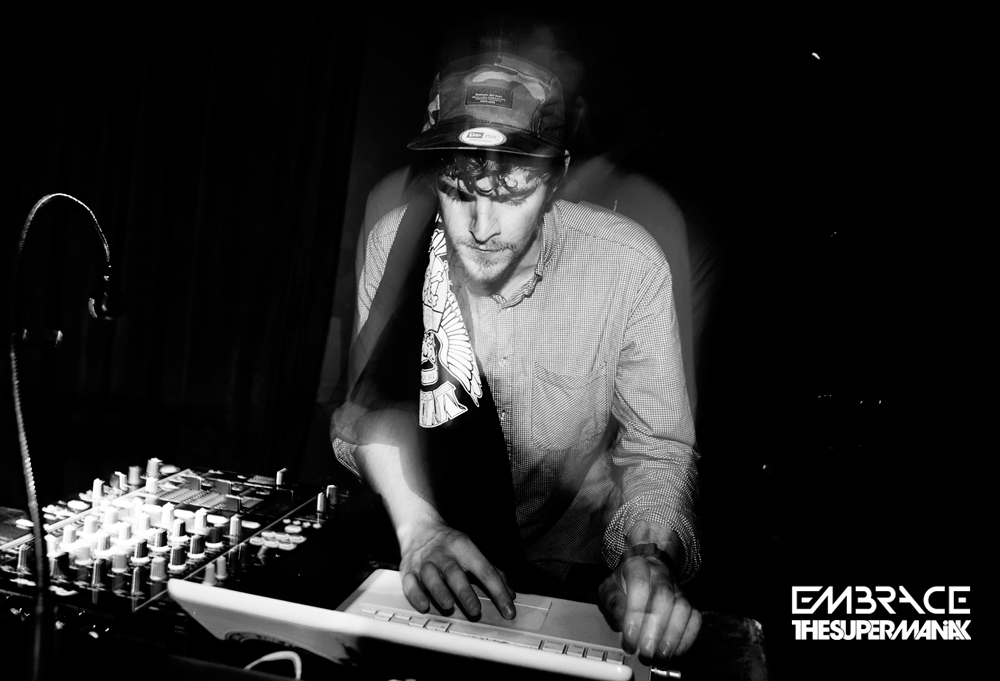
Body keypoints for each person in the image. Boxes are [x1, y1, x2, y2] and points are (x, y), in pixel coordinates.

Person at [331, 51, 701, 663]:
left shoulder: (627, 265)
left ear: (555, 178)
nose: (481, 227)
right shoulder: (398, 243)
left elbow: (655, 447)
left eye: (511, 193)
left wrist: (645, 556)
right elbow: (367, 414)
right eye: (459, 189)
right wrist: (418, 525)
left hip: (568, 576)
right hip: (430, 563)